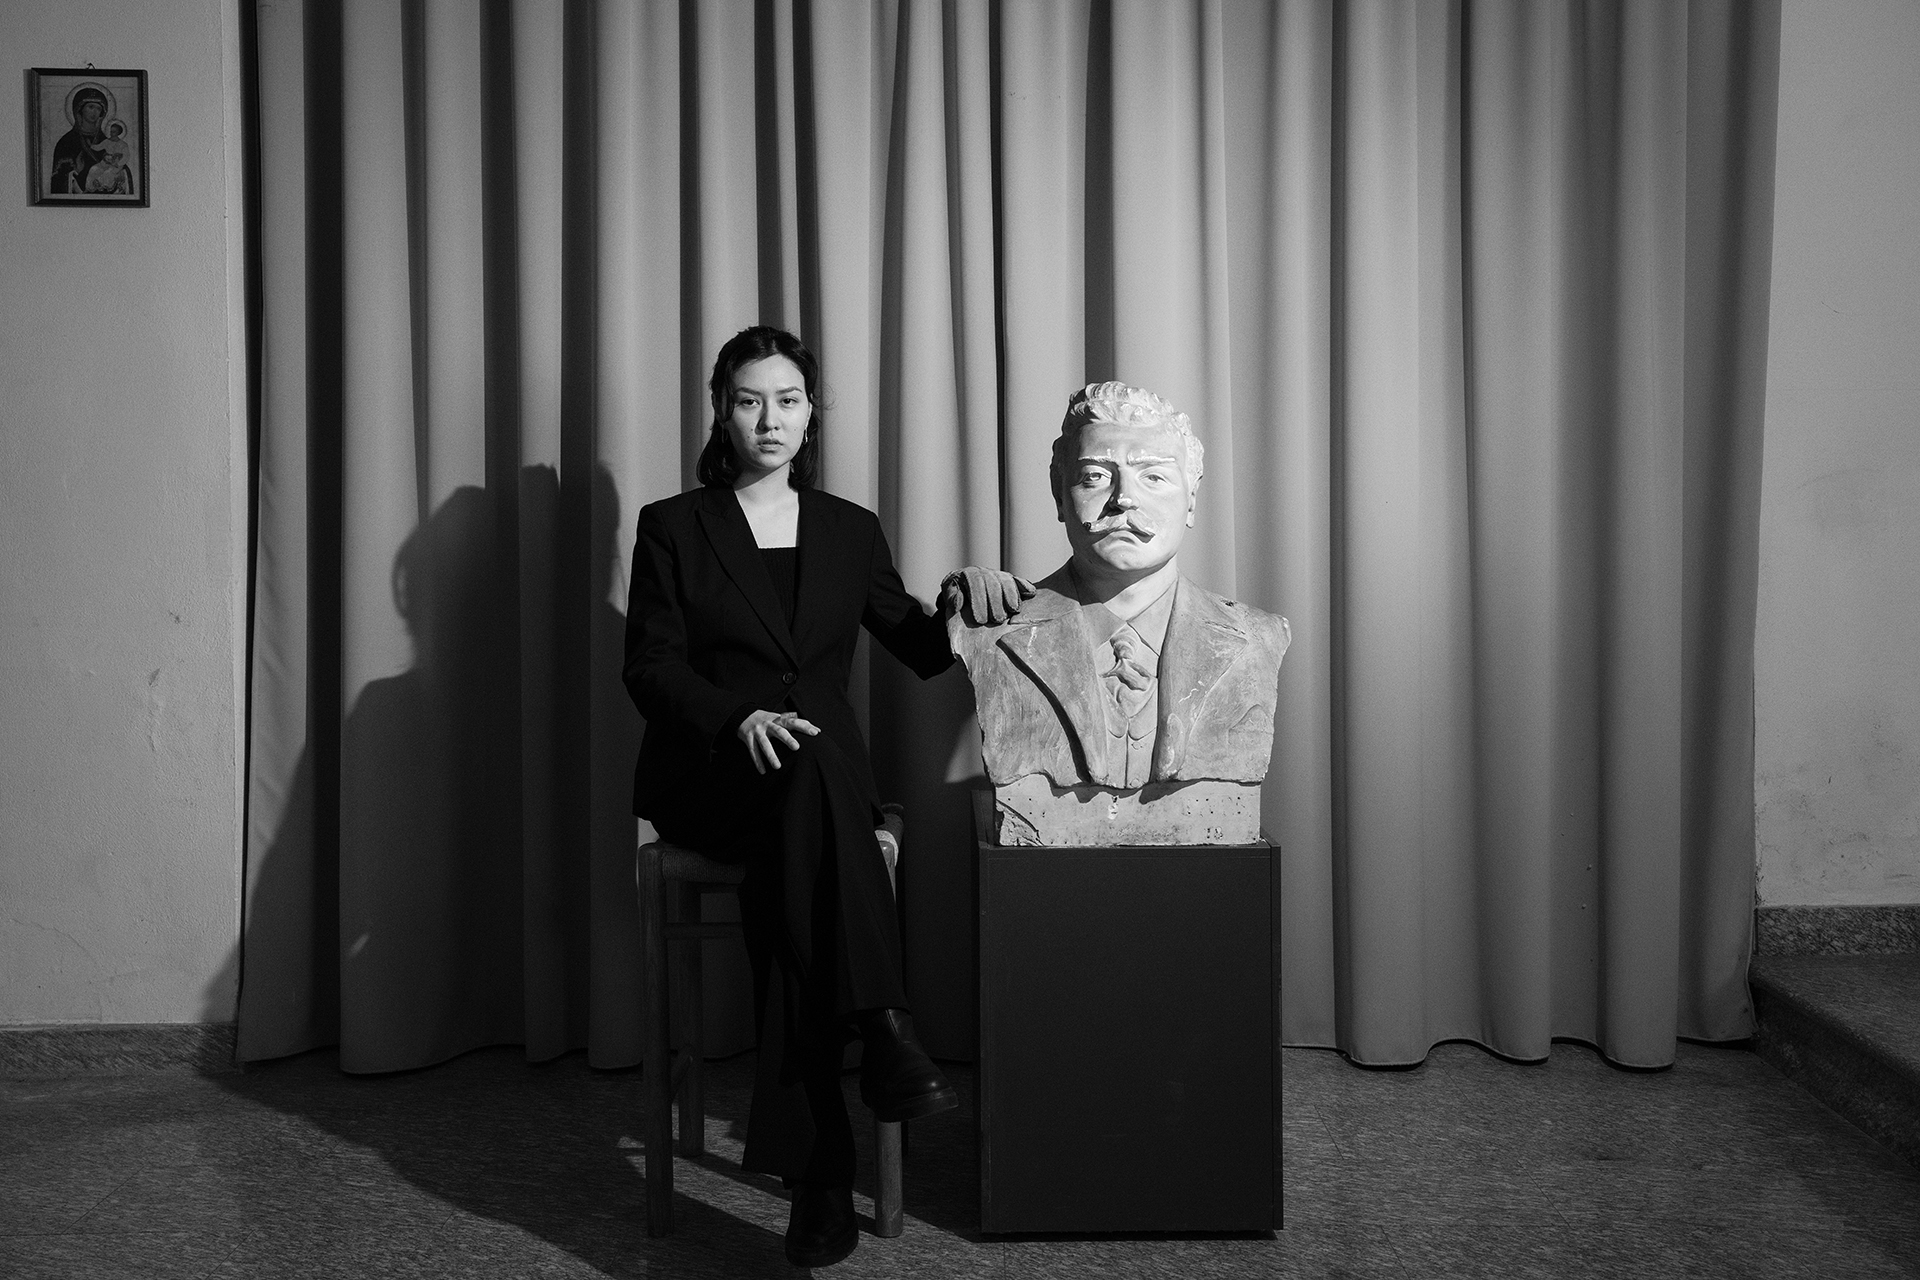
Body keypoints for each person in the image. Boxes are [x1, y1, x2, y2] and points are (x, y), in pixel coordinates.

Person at [623, 325, 1023, 1268]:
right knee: (810, 795)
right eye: (750, 400)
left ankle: (821, 1174)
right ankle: (881, 1028)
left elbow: (920, 651)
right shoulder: (674, 525)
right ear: (722, 413)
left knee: (798, 882)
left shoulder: (849, 528)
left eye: (789, 400)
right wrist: (738, 718)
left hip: (813, 786)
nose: (771, 419)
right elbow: (649, 667)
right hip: (715, 772)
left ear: (811, 416)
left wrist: (964, 598)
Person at [49, 87, 110, 197]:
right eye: (91, 107)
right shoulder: (66, 142)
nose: (94, 112)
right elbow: (58, 177)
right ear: (80, 109)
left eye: (98, 109)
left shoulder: (107, 143)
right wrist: (74, 175)